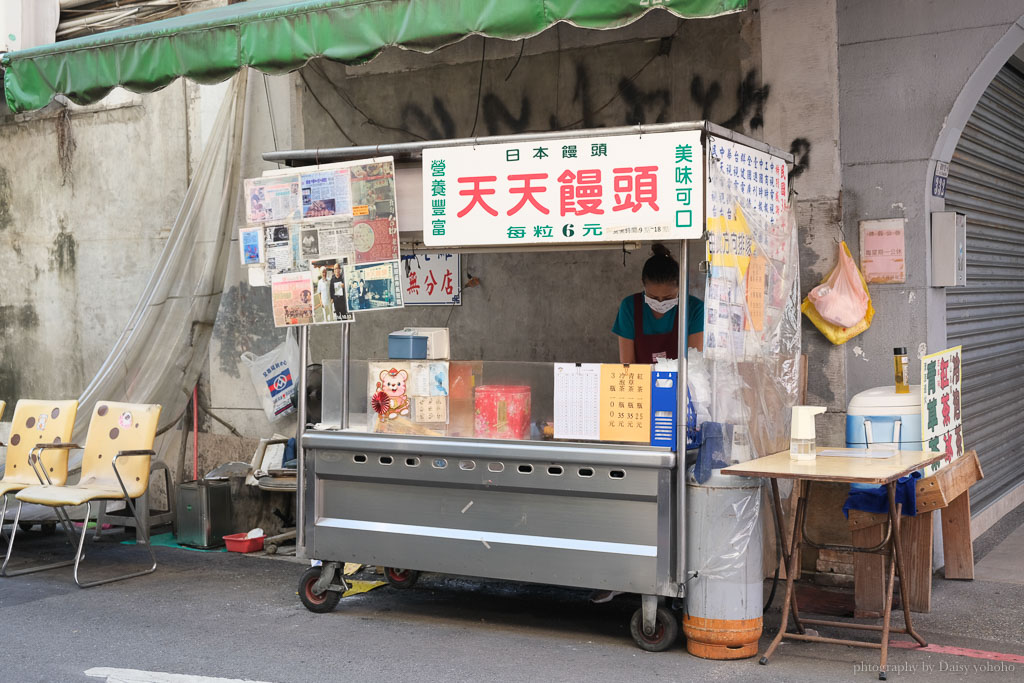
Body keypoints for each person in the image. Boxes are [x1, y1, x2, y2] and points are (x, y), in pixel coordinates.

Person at [612, 243, 704, 363]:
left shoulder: (694, 309)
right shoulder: (630, 307)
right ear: (643, 285)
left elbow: (693, 365)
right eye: (653, 297)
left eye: (668, 297)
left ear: (680, 286)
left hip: (681, 381)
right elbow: (628, 366)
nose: (660, 302)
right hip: (641, 380)